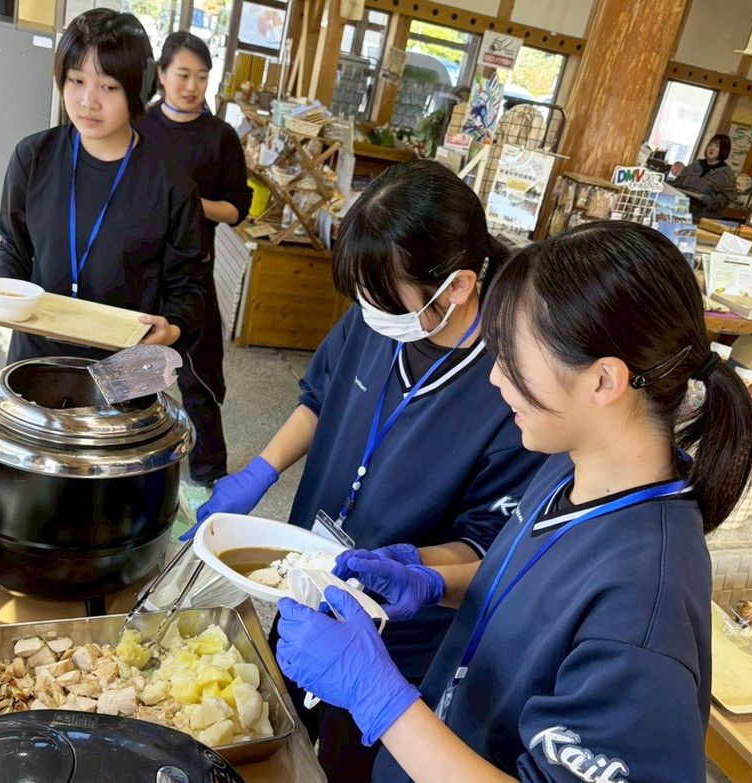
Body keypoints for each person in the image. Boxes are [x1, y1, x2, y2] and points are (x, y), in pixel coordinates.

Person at [275, 221, 752, 783]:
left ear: (603, 380)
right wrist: (438, 581)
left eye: (514, 360)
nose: (496, 379)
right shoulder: (570, 466)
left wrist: (378, 696)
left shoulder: (645, 607)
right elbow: (543, 593)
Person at [197, 160, 546, 781]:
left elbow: (482, 546)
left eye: (382, 300)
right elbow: (319, 397)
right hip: (305, 575)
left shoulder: (515, 387)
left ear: (459, 287)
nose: (367, 311)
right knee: (273, 731)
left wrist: (407, 573)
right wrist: (260, 471)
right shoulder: (381, 307)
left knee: (344, 760)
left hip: (395, 639)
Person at [0, 10, 206, 372]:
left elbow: (189, 287)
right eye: (76, 80)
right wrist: (3, 296)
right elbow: (13, 247)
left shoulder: (172, 185)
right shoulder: (32, 157)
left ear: (138, 90)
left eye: (108, 87)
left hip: (123, 371)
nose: (88, 100)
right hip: (34, 359)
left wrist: (171, 327)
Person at [137, 32, 252, 484]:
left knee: (199, 382)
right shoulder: (139, 127)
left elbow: (237, 209)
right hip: (140, 272)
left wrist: (187, 201)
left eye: (202, 77)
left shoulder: (220, 137)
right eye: (183, 75)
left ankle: (208, 476)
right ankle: (136, 466)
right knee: (134, 375)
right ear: (162, 75)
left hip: (194, 272)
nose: (192, 86)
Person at [671, 134, 736, 219]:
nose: (712, 148)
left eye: (717, 146)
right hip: (680, 209)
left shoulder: (727, 174)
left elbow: (727, 199)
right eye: (710, 144)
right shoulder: (695, 165)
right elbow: (677, 183)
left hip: (704, 216)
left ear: (724, 150)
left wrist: (708, 199)